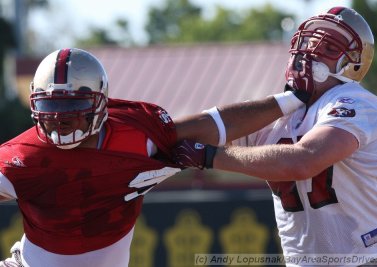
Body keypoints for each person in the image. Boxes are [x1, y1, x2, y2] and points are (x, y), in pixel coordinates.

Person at [0, 48, 308, 267]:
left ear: (101, 102)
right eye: (51, 108)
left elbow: (214, 123)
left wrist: (291, 99)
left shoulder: (138, 136)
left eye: (71, 108)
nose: (60, 119)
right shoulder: (21, 158)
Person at [172, 7, 377, 267]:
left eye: (327, 48)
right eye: (308, 42)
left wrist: (210, 156)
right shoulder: (283, 111)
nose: (308, 52)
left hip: (373, 256)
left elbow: (304, 160)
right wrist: (161, 130)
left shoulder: (358, 102)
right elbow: (211, 128)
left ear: (352, 64)